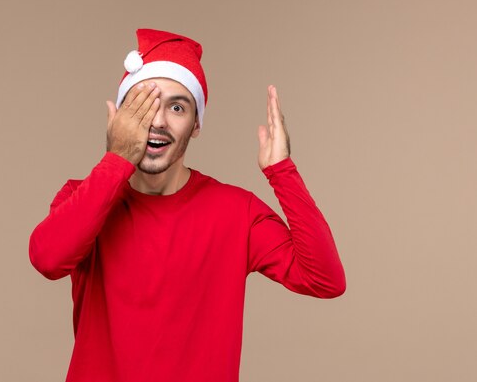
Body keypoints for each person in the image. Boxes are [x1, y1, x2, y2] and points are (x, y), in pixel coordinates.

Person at [29, 28, 346, 382]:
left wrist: (281, 171)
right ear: (118, 117)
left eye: (177, 107)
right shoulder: (80, 198)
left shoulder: (236, 212)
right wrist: (117, 159)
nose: (158, 121)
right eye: (142, 104)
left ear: (196, 124)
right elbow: (48, 259)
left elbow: (326, 280)